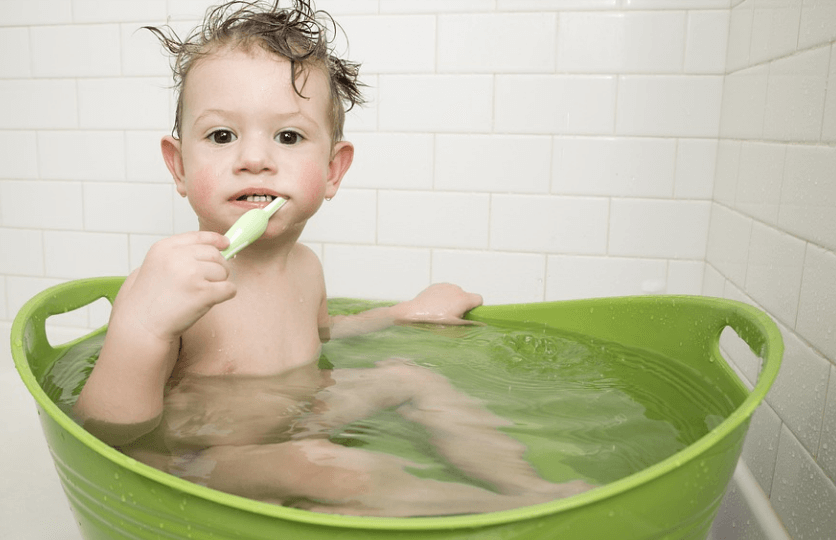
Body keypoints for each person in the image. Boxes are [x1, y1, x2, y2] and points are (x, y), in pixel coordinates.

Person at [73, 0, 591, 516]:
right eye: (222, 135)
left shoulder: (305, 266)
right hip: (203, 459)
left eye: (289, 136)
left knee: (408, 374)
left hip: (303, 414)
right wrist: (141, 326)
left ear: (332, 170)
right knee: (326, 468)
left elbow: (320, 335)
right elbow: (103, 427)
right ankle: (513, 518)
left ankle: (528, 487)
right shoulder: (169, 284)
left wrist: (398, 314)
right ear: (179, 165)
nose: (254, 159)